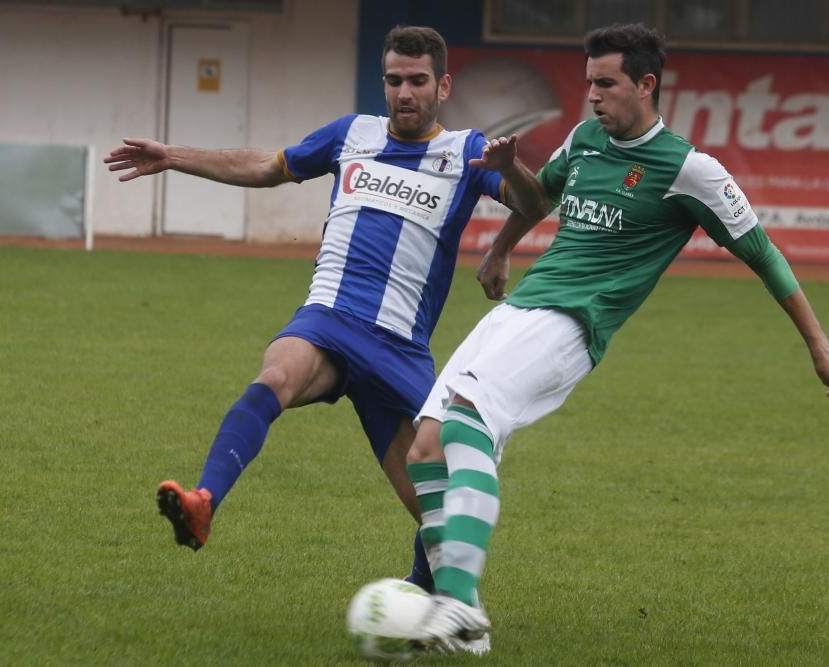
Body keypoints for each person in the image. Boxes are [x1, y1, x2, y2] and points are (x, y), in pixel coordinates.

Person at [405, 23, 829, 649]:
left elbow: (764, 254)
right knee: (425, 447)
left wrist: (820, 347)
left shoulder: (691, 169)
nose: (592, 95)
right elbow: (539, 201)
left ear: (645, 85)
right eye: (588, 82)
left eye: (606, 83)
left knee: (465, 424)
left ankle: (453, 605)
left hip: (571, 324)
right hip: (521, 309)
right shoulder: (585, 138)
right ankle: (466, 624)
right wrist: (501, 249)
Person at [103, 26, 543, 597]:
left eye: (417, 80)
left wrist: (506, 187)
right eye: (394, 80)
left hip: (399, 347)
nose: (404, 92)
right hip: (328, 318)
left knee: (439, 509)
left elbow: (536, 202)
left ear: (443, 85)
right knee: (276, 375)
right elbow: (268, 165)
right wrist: (174, 157)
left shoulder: (465, 151)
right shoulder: (351, 134)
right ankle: (204, 500)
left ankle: (430, 595)